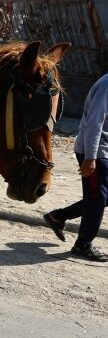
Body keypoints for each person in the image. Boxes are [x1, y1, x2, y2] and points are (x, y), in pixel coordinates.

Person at [44, 71, 108, 261]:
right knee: (97, 198)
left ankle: (58, 216)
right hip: (95, 151)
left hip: (102, 151)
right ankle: (83, 244)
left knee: (100, 196)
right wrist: (90, 157)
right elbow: (94, 123)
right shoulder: (106, 86)